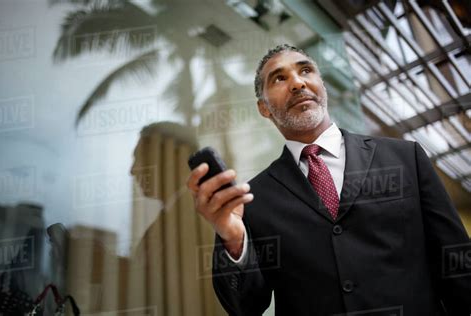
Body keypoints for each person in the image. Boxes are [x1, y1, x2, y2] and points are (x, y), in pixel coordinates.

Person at [186, 44, 471, 316]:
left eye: (306, 71)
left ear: (322, 85)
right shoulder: (252, 199)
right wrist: (234, 240)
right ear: (264, 108)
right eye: (279, 78)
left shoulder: (405, 157)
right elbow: (244, 307)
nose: (297, 83)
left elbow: (457, 261)